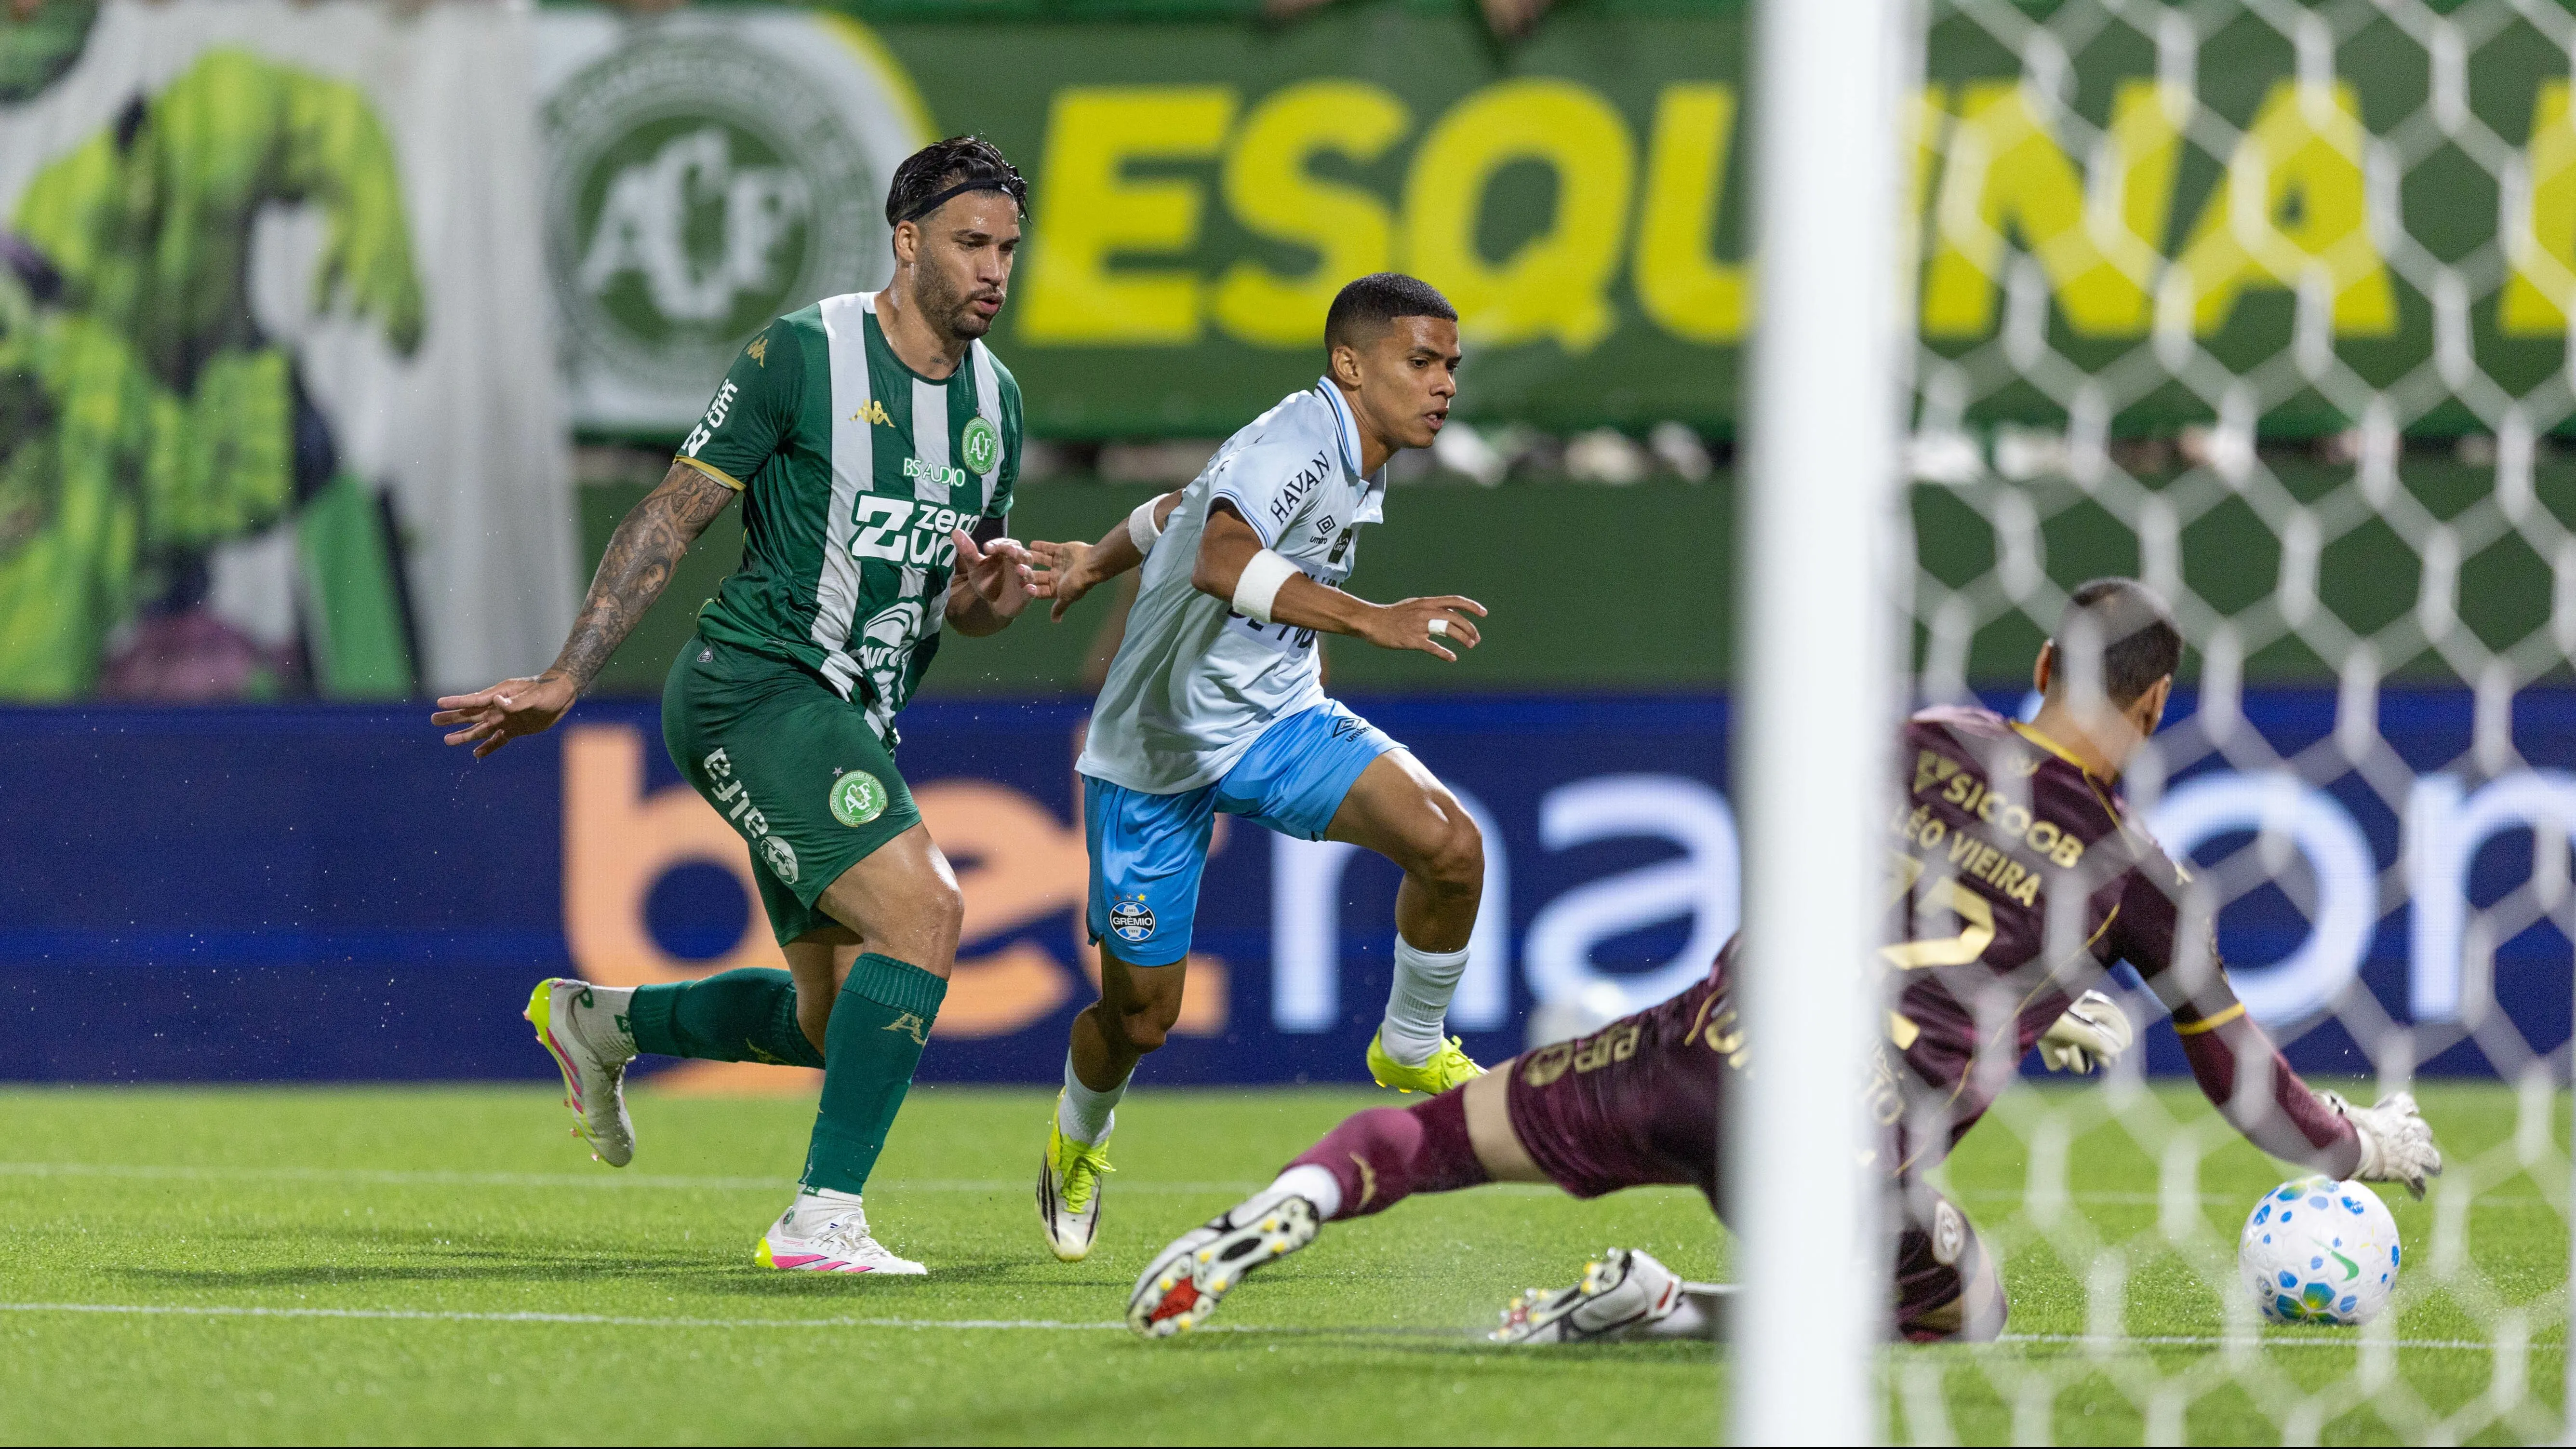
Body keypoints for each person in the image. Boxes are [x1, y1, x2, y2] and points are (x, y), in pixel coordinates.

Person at [1121, 578, 2445, 1339]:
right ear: (2154, 710)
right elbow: (2253, 1092)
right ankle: (1680, 1308)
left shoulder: (1919, 733)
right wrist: (2363, 1145)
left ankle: (1282, 1205)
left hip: (1697, 1047)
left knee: (1441, 1135)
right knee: (1964, 1307)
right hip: (1847, 1149)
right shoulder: (2142, 877)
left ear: (2041, 665)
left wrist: (2029, 1003)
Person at [431, 136, 1038, 1275]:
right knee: (929, 918)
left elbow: (966, 606)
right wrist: (568, 674)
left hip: (854, 718)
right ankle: (822, 1222)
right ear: (907, 241)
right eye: (969, 243)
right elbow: (670, 516)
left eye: (1007, 247)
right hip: (753, 688)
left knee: (833, 1024)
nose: (993, 269)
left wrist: (988, 600)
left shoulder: (996, 406)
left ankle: (605, 1023)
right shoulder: (804, 355)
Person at [1017, 272, 1495, 1263]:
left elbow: (1178, 508)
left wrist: (1089, 562)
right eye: (1421, 362)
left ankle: (1408, 1043)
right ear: (1349, 365)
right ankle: (1078, 1135)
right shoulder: (1296, 440)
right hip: (1153, 753)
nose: (1444, 383)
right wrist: (1372, 618)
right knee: (1141, 1020)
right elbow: (1219, 558)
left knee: (1450, 848)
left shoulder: (1344, 449)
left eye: (1450, 364)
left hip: (1276, 723)